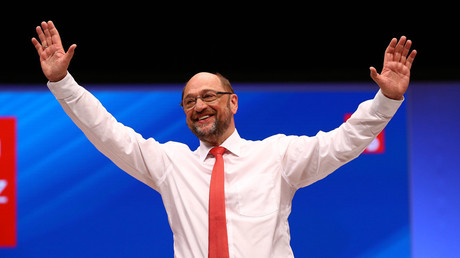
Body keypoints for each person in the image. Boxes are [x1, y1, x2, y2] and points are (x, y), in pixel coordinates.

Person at [32, 21, 416, 257]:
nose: (198, 105)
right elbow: (107, 132)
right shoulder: (170, 164)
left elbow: (343, 141)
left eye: (208, 96)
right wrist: (61, 82)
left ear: (232, 102)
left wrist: (388, 99)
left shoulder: (277, 156)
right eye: (189, 101)